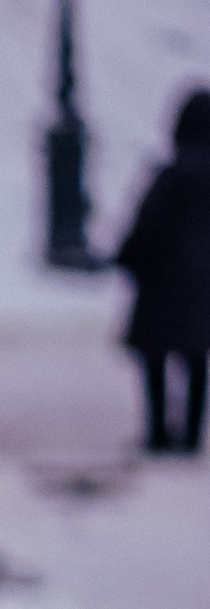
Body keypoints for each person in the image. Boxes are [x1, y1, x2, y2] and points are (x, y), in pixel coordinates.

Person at [116, 88, 210, 457]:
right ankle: (189, 435)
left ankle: (157, 432)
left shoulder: (170, 177)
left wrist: (128, 259)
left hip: (163, 283)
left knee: (155, 356)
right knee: (196, 358)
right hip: (204, 286)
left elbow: (147, 227)